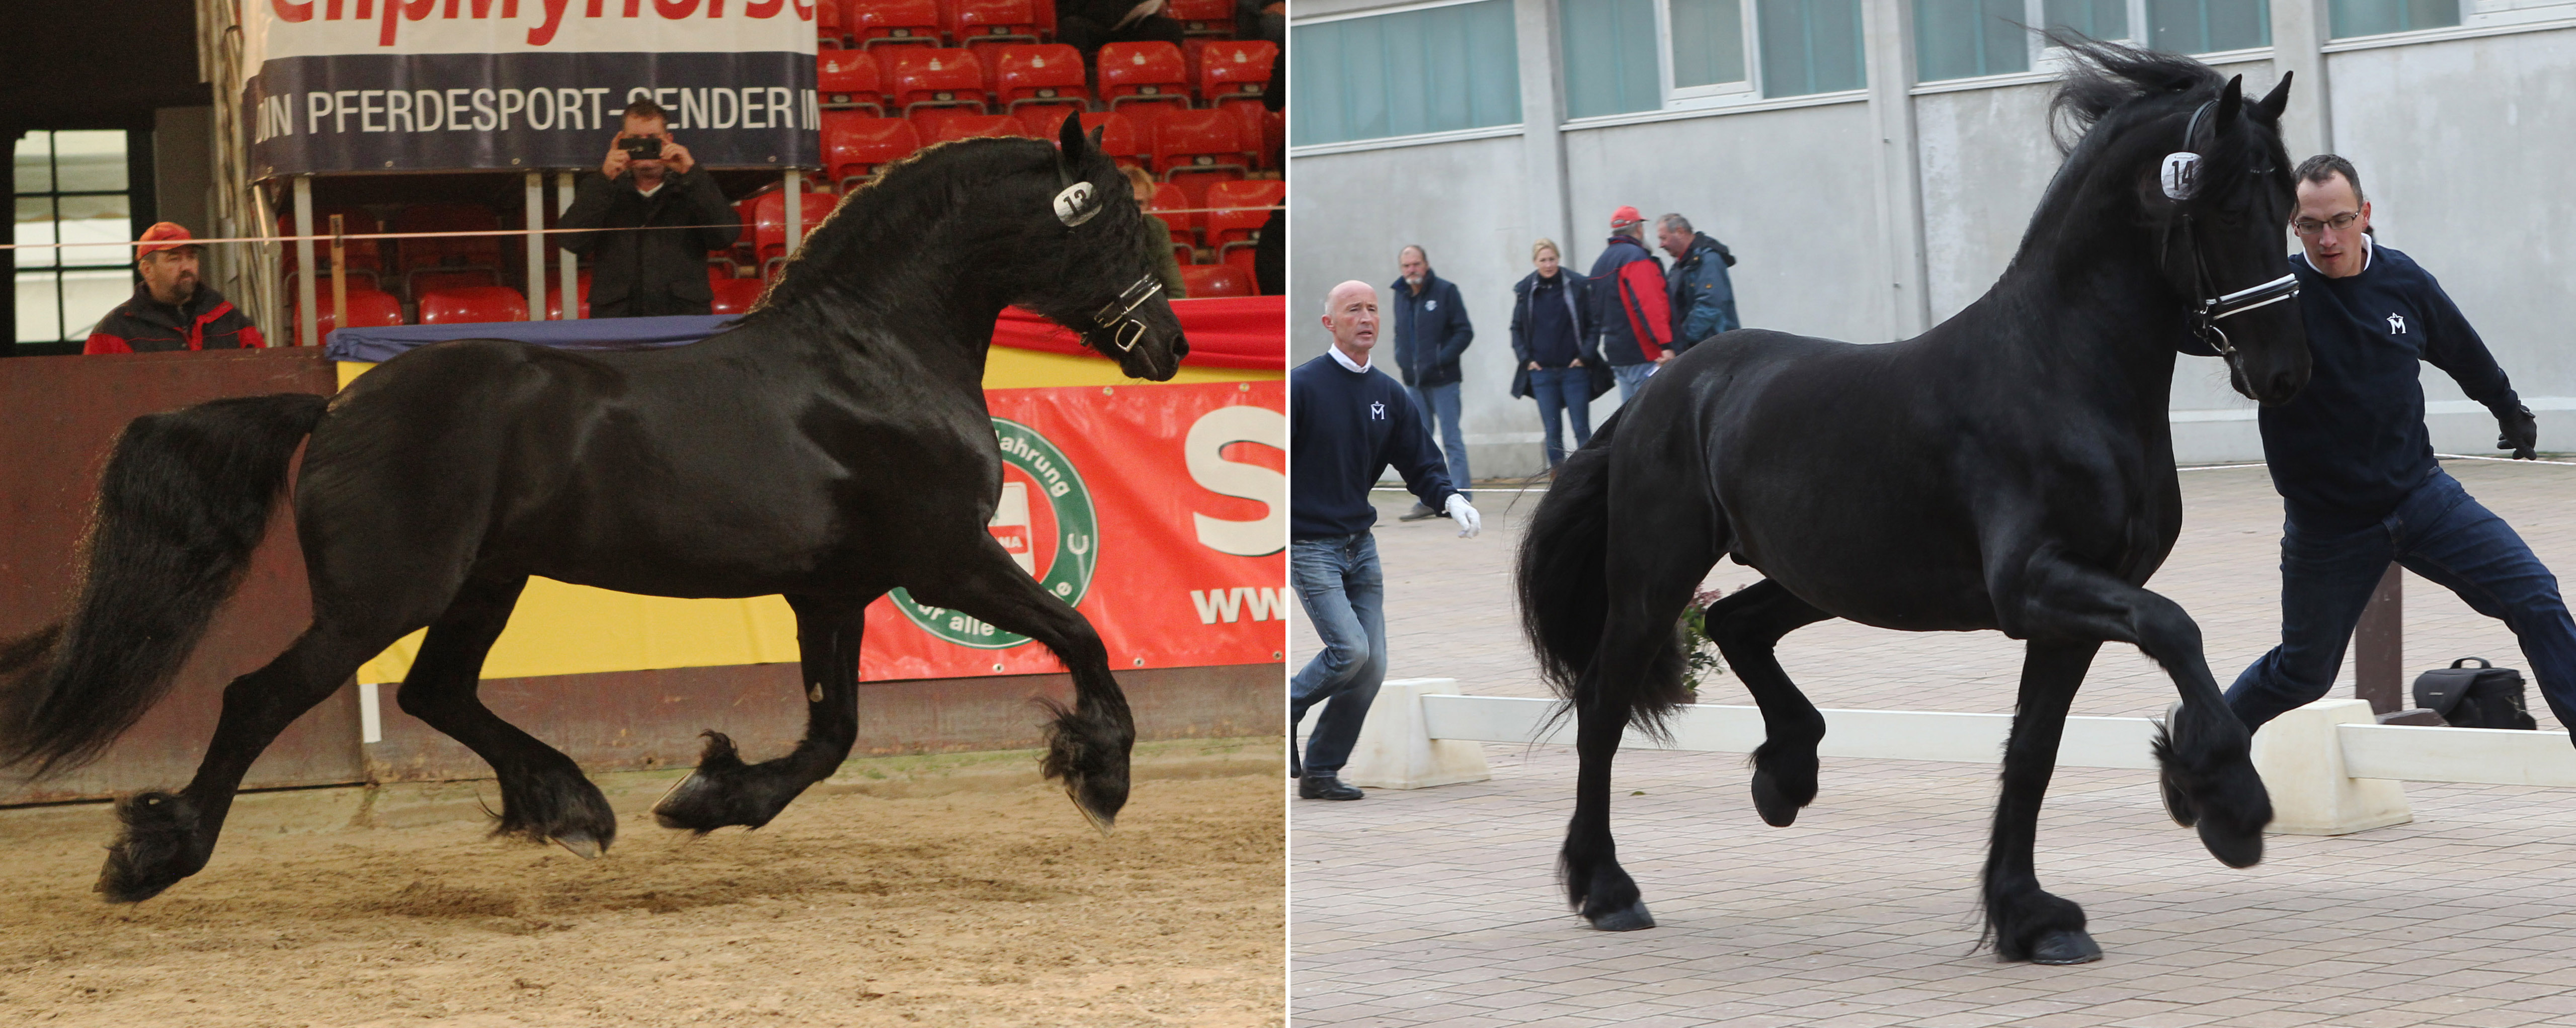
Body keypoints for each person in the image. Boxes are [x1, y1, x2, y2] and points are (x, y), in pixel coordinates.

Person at [2217, 154, 2576, 740]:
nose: (2327, 238)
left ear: (2364, 214)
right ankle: (2202, 740)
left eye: (2338, 220)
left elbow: (2462, 351)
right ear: (2293, 225)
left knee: (2535, 596)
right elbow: (2187, 326)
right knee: (2303, 674)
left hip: (2422, 498)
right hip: (2328, 526)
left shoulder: (2402, 280)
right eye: (2310, 225)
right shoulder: (2272, 297)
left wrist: (2508, 409)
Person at [1290, 280, 1481, 800]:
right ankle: (1287, 702)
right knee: (1349, 650)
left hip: (1360, 544)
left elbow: (1420, 461)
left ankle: (1321, 770)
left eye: (1373, 309)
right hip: (1310, 545)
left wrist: (1450, 499)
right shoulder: (1300, 387)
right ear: (1329, 323)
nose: (1366, 317)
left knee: (1371, 667)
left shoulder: (1389, 394)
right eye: (1353, 309)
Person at [557, 99, 742, 318]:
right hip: (618, 321)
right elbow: (572, 241)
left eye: (653, 140)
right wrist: (604, 180)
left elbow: (725, 236)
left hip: (681, 318)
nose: (645, 148)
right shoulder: (601, 187)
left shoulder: (694, 186)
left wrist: (692, 175)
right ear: (621, 142)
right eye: (636, 141)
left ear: (669, 141)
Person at [84, 222, 266, 353]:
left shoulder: (231, 319)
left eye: (191, 257)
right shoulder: (114, 331)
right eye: (175, 258)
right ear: (148, 270)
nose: (187, 266)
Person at [1388, 245, 1473, 520]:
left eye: (1416, 264)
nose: (1412, 270)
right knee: (1420, 444)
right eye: (1406, 266)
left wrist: (1439, 360)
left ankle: (1460, 497)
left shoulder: (1446, 292)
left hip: (1444, 381)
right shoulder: (1400, 296)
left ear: (1426, 264)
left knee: (1451, 439)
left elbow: (1464, 332)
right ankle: (1430, 499)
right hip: (1414, 383)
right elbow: (1399, 334)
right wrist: (1402, 360)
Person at [1508, 238, 1602, 469]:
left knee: (1581, 428)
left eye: (1552, 259)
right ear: (1535, 262)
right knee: (1552, 431)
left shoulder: (1577, 286)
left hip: (1574, 371)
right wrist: (1527, 360)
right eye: (1543, 260)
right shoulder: (1526, 291)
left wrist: (1585, 357)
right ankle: (1558, 481)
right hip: (1542, 373)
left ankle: (1588, 477)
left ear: (1558, 259)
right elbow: (1517, 329)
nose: (1548, 265)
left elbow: (1593, 323)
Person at [1585, 206, 1673, 401]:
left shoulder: (1600, 263)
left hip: (1617, 355)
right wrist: (1665, 344)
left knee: (1630, 420)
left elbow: (1595, 313)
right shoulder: (1636, 258)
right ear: (1638, 229)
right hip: (1644, 354)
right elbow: (1649, 305)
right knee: (1651, 418)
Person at [1657, 213, 1739, 353]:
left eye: (1664, 238)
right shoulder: (1681, 265)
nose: (1661, 245)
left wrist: (1682, 339)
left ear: (1680, 232)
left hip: (1717, 349)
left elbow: (1710, 306)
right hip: (1699, 348)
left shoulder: (1709, 260)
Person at [1120, 165, 1188, 299]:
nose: (1133, 209)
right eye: (1126, 201)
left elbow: (1176, 290)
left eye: (1139, 203)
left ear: (1150, 204)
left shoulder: (1156, 229)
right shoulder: (1095, 230)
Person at [1053, 0, 1185, 62]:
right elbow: (1068, 9)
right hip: (1093, 25)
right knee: (1071, 27)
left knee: (1170, 28)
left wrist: (1160, 4)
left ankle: (1160, 83)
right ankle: (1082, 86)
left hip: (1130, 25)